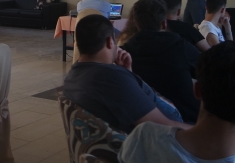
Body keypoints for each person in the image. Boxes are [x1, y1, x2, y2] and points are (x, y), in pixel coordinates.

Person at [63, 14, 191, 134]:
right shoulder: (111, 78)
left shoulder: (72, 76)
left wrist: (127, 72)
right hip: (160, 140)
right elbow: (164, 126)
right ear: (110, 42)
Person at [120, 0, 201, 124]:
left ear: (135, 23)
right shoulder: (182, 48)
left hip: (143, 127)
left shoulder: (123, 54)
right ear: (164, 24)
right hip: (187, 124)